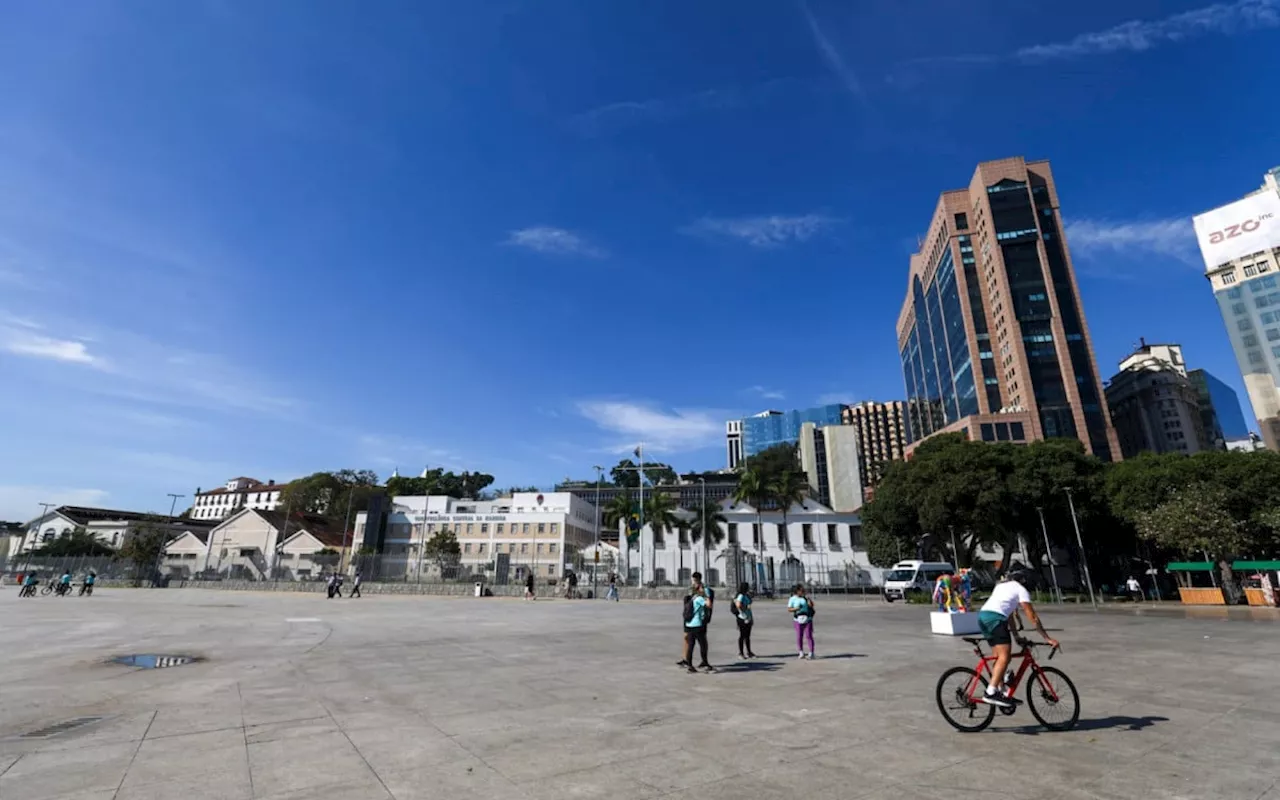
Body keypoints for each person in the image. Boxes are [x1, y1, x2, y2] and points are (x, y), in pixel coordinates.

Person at [977, 568, 1059, 708]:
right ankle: (990, 692)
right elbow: (1032, 617)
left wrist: (1016, 636)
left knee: (999, 658)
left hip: (983, 617)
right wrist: (1047, 638)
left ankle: (1001, 691)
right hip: (995, 619)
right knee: (1005, 657)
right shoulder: (1021, 590)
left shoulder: (1002, 586)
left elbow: (1009, 615)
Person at [677, 581, 714, 674]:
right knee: (703, 644)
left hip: (689, 625)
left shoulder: (692, 598)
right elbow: (709, 605)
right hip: (697, 625)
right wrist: (706, 596)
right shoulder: (699, 598)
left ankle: (690, 666)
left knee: (691, 645)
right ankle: (705, 663)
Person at [788, 584, 816, 659]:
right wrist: (796, 608)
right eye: (801, 590)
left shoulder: (805, 598)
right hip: (798, 619)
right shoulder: (792, 599)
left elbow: (812, 605)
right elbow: (789, 609)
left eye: (803, 590)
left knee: (809, 636)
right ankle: (801, 652)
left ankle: (811, 652)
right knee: (799, 636)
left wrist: (809, 600)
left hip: (808, 619)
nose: (802, 591)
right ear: (797, 591)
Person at [733, 582, 756, 659]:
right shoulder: (740, 596)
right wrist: (746, 606)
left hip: (748, 617)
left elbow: (750, 606)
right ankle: (741, 653)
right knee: (742, 636)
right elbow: (738, 605)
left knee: (747, 636)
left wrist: (751, 618)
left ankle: (749, 652)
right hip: (742, 618)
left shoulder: (746, 595)